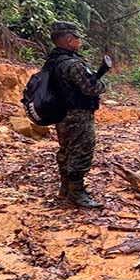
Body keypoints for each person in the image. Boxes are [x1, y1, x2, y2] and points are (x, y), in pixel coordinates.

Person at [48, 21, 107, 209]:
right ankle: (77, 193)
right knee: (82, 152)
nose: (79, 42)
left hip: (61, 115)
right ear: (69, 40)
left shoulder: (53, 62)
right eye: (77, 38)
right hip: (78, 116)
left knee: (66, 152)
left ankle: (65, 190)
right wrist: (102, 85)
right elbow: (91, 88)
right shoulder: (73, 64)